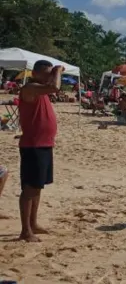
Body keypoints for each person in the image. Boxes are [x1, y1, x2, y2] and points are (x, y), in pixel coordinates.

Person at [18, 60, 63, 242]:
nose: (49, 77)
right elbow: (55, 88)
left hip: (44, 144)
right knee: (29, 188)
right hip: (33, 145)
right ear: (35, 74)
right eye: (46, 73)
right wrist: (58, 71)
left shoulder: (41, 89)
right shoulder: (30, 88)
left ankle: (33, 223)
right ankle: (25, 230)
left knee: (37, 187)